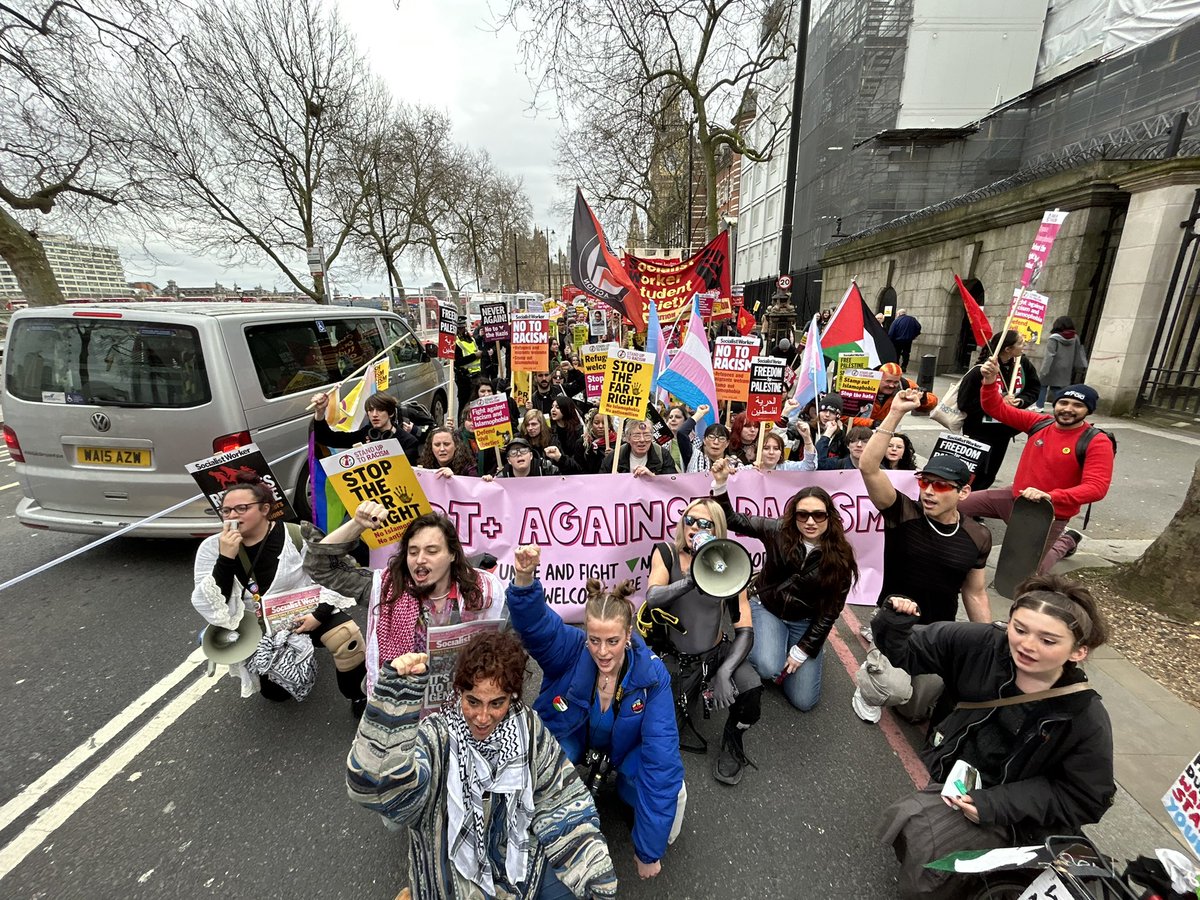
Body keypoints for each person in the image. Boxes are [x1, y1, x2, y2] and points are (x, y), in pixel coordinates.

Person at [871, 574, 1114, 900]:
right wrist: (894, 620)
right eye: (1020, 629)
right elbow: (907, 652)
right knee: (917, 826)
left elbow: (1086, 797)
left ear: (1079, 651)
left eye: (1048, 640)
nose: (1026, 645)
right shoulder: (983, 644)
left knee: (925, 845)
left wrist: (994, 805)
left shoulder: (1084, 715)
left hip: (1013, 813)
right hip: (956, 779)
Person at [347, 631, 619, 900]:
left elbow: (561, 800)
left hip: (514, 856)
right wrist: (394, 700)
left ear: (512, 697)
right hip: (452, 871)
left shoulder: (527, 726)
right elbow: (379, 789)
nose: (482, 717)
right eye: (472, 701)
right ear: (459, 693)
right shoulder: (436, 736)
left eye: (497, 703)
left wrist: (594, 872)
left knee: (580, 889)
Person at [506, 545, 685, 881]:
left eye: (613, 641)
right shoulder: (571, 649)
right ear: (585, 634)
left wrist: (648, 850)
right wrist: (525, 578)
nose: (603, 652)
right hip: (572, 734)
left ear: (629, 635)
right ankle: (530, 829)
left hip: (625, 748)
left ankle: (631, 806)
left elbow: (661, 760)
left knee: (662, 784)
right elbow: (536, 626)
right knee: (541, 762)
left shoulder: (652, 675)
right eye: (595, 640)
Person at [856, 388, 993, 723]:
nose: (930, 491)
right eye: (925, 482)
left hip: (937, 630)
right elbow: (869, 467)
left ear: (963, 492)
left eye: (942, 486)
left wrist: (991, 641)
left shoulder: (978, 536)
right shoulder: (902, 512)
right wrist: (896, 413)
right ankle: (870, 680)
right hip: (894, 623)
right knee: (891, 689)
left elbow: (974, 592)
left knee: (914, 712)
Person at [191, 476, 367, 713]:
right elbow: (212, 604)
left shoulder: (297, 534)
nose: (233, 516)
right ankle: (285, 662)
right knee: (276, 694)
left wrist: (320, 614)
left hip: (308, 613)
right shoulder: (212, 547)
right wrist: (225, 559)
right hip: (260, 625)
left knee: (347, 637)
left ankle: (359, 696)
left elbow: (332, 574)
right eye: (227, 510)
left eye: (242, 508)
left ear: (265, 509)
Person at [304, 507, 506, 696]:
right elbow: (319, 567)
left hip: (464, 699)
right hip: (404, 702)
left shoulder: (482, 592)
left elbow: (509, 646)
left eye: (432, 551)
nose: (420, 559)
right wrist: (357, 524)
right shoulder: (388, 589)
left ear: (452, 554)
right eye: (413, 551)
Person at [710, 460, 856, 710]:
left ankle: (792, 648)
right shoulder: (777, 530)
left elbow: (830, 612)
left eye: (818, 515)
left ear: (829, 517)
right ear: (794, 515)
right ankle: (758, 648)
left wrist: (804, 649)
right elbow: (733, 520)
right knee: (769, 667)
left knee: (803, 701)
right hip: (768, 608)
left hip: (805, 621)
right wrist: (721, 483)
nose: (811, 521)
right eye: (803, 514)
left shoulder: (841, 557)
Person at [644, 496, 760, 786]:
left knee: (751, 691)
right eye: (690, 520)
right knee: (658, 726)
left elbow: (744, 629)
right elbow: (652, 597)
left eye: (705, 523)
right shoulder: (666, 553)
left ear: (717, 529)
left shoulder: (730, 564)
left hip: (713, 654)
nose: (695, 527)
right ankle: (689, 693)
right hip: (674, 655)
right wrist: (689, 580)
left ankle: (733, 738)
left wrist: (725, 671)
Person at [958, 360, 1114, 570]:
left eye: (1078, 405)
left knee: (1023, 574)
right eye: (1063, 403)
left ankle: (1064, 542)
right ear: (1055, 404)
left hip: (1049, 514)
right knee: (951, 504)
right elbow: (995, 409)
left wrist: (1050, 495)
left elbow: (1097, 487)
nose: (1068, 409)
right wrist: (989, 382)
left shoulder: (1096, 441)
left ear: (1089, 411)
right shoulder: (1040, 422)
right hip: (1014, 498)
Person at [957, 330, 1041, 491]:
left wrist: (1021, 401)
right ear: (1008, 349)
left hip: (1004, 430)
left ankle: (977, 501)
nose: (1024, 345)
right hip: (979, 430)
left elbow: (1034, 388)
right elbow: (965, 403)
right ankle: (965, 502)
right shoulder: (980, 371)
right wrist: (998, 402)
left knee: (991, 471)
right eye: (1020, 343)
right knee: (975, 469)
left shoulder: (1022, 365)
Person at [311, 390, 423, 462]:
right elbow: (327, 438)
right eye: (370, 410)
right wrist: (320, 412)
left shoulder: (408, 441)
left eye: (380, 410)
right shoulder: (365, 434)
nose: (374, 414)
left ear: (391, 413)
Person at [853, 362, 937, 427]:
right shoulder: (861, 385)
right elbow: (844, 418)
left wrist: (924, 398)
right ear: (878, 378)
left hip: (886, 429)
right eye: (888, 381)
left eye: (895, 382)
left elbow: (931, 403)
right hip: (857, 432)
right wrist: (871, 423)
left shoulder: (904, 385)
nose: (891, 385)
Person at [1038, 317, 1089, 410]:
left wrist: (1044, 370)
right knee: (1057, 388)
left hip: (1052, 366)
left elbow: (1050, 355)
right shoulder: (1075, 337)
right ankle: (1062, 406)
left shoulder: (1053, 338)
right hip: (1066, 368)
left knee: (1042, 385)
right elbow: (1078, 351)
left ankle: (1039, 406)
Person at [600, 419, 678, 475]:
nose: (642, 440)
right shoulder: (615, 456)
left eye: (647, 435)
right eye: (636, 435)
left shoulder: (662, 455)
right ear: (627, 438)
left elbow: (671, 485)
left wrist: (652, 477)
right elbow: (601, 484)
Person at [486, 436, 562, 480]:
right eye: (513, 453)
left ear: (531, 455)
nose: (519, 454)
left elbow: (569, 477)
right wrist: (488, 483)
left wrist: (560, 458)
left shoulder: (545, 468)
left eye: (523, 451)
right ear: (509, 460)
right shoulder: (502, 477)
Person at [663, 403, 706, 471]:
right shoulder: (662, 441)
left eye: (678, 417)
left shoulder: (695, 441)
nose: (673, 419)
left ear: (685, 421)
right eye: (670, 417)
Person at [548, 396, 585, 471]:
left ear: (566, 409)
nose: (553, 410)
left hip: (574, 471)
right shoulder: (549, 430)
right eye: (552, 407)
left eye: (557, 407)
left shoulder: (579, 430)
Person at [454, 324, 482, 414]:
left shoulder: (471, 339)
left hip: (476, 376)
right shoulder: (455, 342)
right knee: (464, 405)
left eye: (462, 327)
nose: (461, 330)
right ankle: (461, 426)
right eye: (459, 328)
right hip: (464, 378)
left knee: (476, 404)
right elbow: (457, 362)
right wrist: (474, 356)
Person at [580, 410, 617, 474]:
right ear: (591, 424)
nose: (600, 426)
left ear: (609, 425)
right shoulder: (583, 443)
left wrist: (612, 457)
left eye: (604, 423)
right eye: (596, 423)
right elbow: (579, 467)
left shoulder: (617, 443)